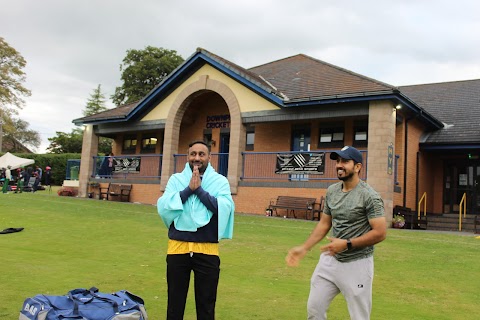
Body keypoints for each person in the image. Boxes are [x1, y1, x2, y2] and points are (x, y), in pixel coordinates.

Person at [286, 146, 387, 320]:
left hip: (357, 264)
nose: (339, 165)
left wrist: (347, 244)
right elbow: (325, 224)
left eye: (345, 161)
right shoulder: (332, 191)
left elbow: (380, 232)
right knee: (314, 310)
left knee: (359, 316)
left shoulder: (369, 196)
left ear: (357, 167)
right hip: (330, 260)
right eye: (338, 161)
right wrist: (304, 248)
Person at [157, 140, 235, 320]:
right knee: (175, 303)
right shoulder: (176, 179)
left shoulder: (220, 181)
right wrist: (187, 190)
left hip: (207, 249)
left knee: (206, 304)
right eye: (193, 154)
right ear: (188, 156)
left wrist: (199, 190)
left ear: (209, 157)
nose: (197, 158)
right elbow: (164, 206)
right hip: (178, 247)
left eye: (201, 154)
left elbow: (224, 207)